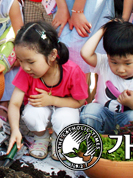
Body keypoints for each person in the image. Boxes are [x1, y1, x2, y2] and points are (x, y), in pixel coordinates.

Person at [7, 22, 88, 160]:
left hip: (66, 107)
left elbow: (79, 102)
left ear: (52, 55)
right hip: (40, 109)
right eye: (20, 61)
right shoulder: (27, 72)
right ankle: (41, 138)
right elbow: (14, 103)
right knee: (32, 113)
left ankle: (60, 138)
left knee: (65, 118)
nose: (25, 67)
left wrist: (52, 100)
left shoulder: (72, 71)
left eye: (30, 62)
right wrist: (15, 129)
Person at [80, 20, 133, 134]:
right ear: (108, 56)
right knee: (90, 111)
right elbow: (85, 53)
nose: (121, 69)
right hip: (104, 117)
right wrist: (105, 29)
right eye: (114, 62)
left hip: (129, 121)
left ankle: (132, 148)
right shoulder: (104, 63)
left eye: (127, 63)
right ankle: (92, 145)